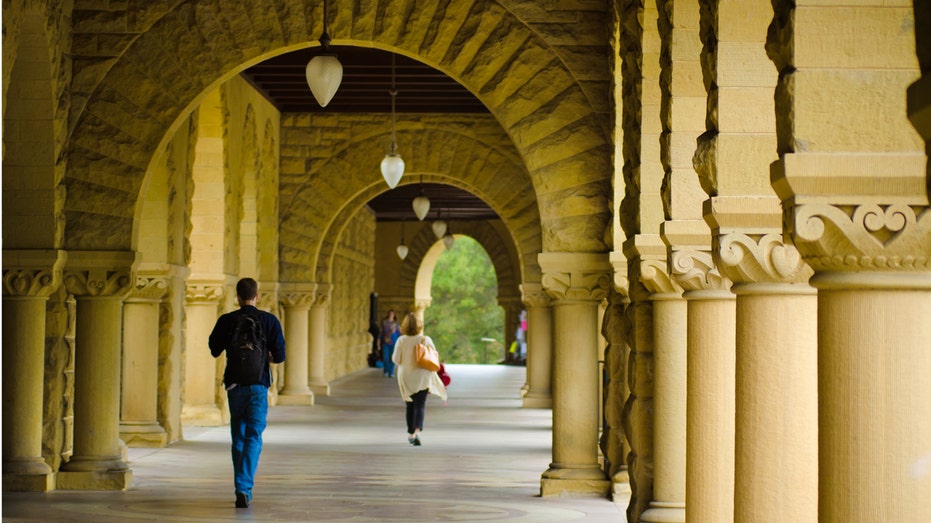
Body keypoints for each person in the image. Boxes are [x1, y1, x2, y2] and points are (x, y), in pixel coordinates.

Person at [208, 278, 286, 508]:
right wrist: (267, 356)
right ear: (257, 296)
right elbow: (280, 356)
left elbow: (214, 349)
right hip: (258, 385)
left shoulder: (227, 320)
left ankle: (241, 487)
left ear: (237, 297)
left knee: (238, 436)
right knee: (254, 436)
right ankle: (244, 487)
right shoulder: (269, 320)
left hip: (234, 386)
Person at [392, 312, 447, 446]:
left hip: (406, 376)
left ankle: (411, 432)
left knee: (409, 404)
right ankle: (417, 431)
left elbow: (395, 359)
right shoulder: (425, 339)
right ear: (419, 325)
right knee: (420, 404)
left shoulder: (401, 340)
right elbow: (434, 357)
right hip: (422, 376)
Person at [380, 310, 400, 377]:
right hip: (386, 342)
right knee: (385, 357)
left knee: (393, 357)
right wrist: (378, 341)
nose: (391, 315)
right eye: (390, 313)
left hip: (394, 342)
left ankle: (391, 372)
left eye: (392, 314)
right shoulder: (384, 323)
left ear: (394, 315)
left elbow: (399, 333)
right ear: (388, 314)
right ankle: (386, 370)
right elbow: (381, 333)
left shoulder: (396, 324)